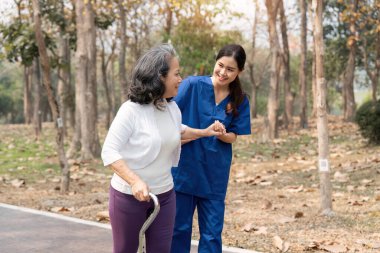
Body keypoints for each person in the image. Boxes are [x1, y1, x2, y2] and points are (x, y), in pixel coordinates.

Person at [101, 44, 225, 253]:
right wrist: (134, 181)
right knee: (125, 250)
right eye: (176, 74)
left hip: (165, 195)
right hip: (128, 197)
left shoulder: (171, 107)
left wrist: (205, 132)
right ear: (160, 77)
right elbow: (109, 151)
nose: (180, 80)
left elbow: (178, 131)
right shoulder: (130, 111)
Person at [171, 44, 251, 253]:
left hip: (214, 175)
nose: (223, 73)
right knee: (178, 230)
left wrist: (223, 134)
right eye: (220, 65)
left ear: (239, 72)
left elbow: (234, 136)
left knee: (212, 234)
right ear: (215, 63)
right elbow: (168, 118)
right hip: (183, 172)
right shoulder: (191, 86)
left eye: (230, 69)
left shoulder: (240, 100)